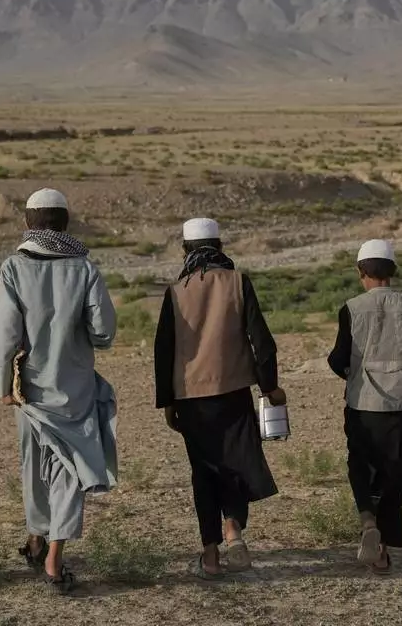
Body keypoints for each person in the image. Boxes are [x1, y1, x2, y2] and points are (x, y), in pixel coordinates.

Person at [0, 188, 118, 595]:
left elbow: (4, 336)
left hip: (28, 390)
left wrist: (3, 385)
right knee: (69, 468)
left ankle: (37, 538)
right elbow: (104, 332)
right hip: (75, 388)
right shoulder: (85, 269)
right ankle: (52, 556)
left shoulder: (14, 268)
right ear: (65, 223)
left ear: (27, 223)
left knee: (34, 465)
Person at [153, 217, 285, 579]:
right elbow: (262, 343)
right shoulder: (238, 282)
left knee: (204, 471)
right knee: (237, 463)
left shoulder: (175, 292)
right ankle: (233, 528)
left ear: (185, 250)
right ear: (220, 247)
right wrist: (270, 387)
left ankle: (210, 556)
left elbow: (163, 351)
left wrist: (168, 402)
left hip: (191, 399)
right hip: (234, 392)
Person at [327, 239, 402, 573]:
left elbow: (337, 359)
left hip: (363, 407)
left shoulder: (351, 309)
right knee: (398, 472)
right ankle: (381, 550)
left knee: (362, 466)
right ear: (392, 271)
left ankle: (368, 521)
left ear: (360, 272)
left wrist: (351, 372)